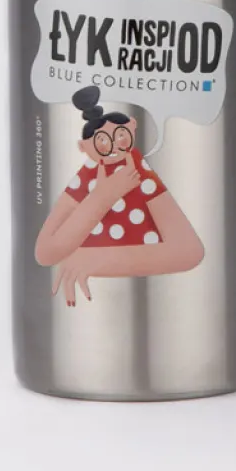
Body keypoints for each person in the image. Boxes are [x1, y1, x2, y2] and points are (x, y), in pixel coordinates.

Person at [35, 86, 204, 306]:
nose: (114, 146)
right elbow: (45, 253)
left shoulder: (139, 174)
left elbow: (189, 251)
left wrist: (96, 258)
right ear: (83, 147)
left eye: (120, 135)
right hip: (91, 314)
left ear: (133, 126)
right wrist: (102, 198)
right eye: (102, 142)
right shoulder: (86, 178)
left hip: (171, 301)